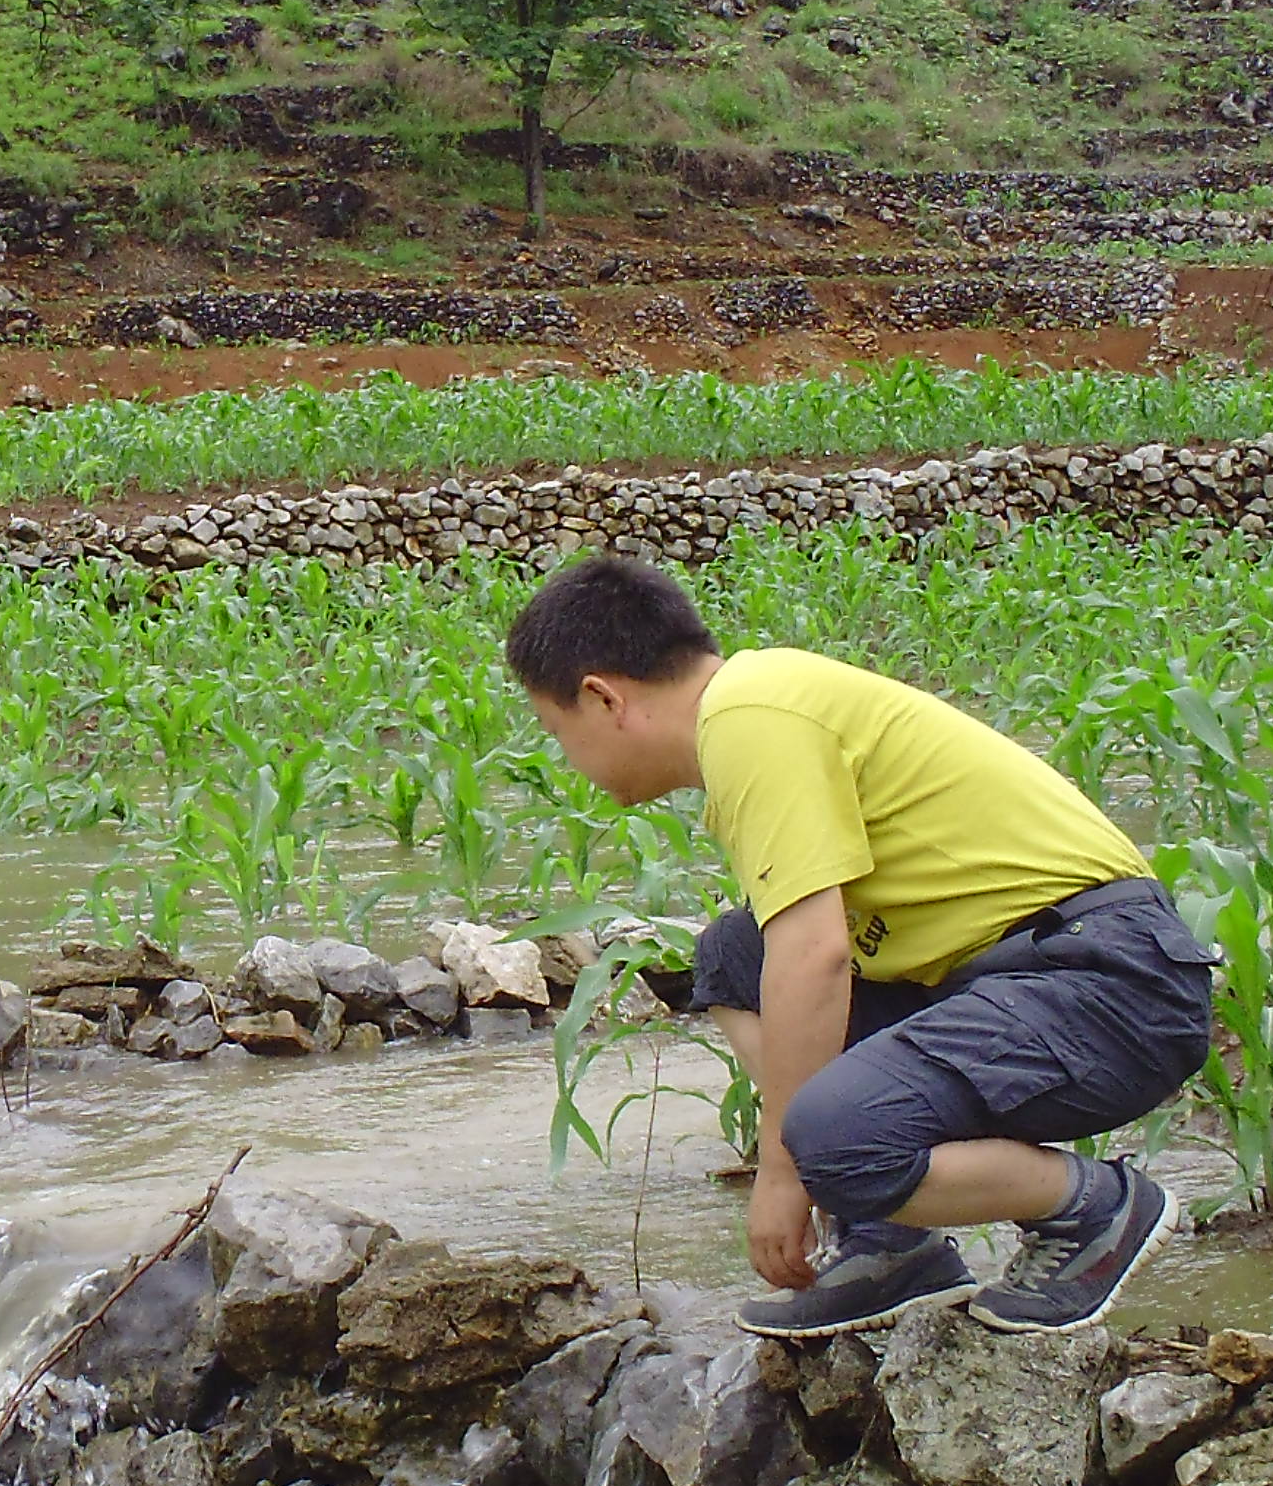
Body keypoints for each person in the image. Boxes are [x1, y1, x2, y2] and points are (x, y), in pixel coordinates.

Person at [506, 553, 1216, 1338]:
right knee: (734, 957)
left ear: (603, 698)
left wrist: (783, 1174)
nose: (568, 761)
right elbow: (784, 954)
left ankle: (1095, 1208)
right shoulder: (757, 704)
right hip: (1027, 973)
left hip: (1114, 986)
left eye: (557, 729)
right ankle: (891, 1245)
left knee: (831, 1141)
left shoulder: (752, 719)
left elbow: (816, 955)